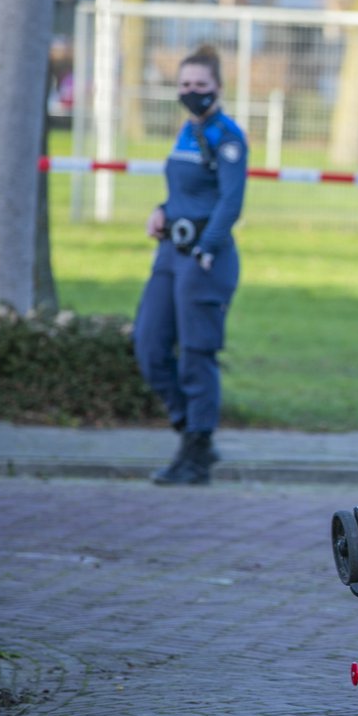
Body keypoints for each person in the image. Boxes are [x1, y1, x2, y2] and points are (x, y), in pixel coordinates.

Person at [134, 45, 248, 485]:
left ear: (217, 87)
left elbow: (230, 200)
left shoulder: (228, 136)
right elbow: (183, 189)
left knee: (196, 358)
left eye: (200, 85)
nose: (192, 92)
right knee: (149, 345)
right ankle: (191, 431)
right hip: (170, 254)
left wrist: (207, 247)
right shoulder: (185, 131)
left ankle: (196, 454)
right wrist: (161, 209)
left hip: (205, 259)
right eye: (185, 85)